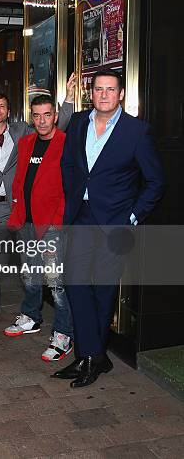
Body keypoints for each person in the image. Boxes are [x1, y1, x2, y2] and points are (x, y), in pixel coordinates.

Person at [54, 69, 164, 388]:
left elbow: (156, 181)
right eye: (98, 89)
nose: (103, 94)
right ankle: (93, 354)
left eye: (110, 89)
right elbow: (68, 165)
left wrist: (131, 217)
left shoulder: (137, 132)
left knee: (103, 291)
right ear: (92, 93)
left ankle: (91, 357)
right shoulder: (77, 123)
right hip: (80, 216)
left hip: (114, 222)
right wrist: (72, 195)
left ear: (121, 95)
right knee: (74, 283)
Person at [0, 74, 76, 325]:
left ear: (9, 111)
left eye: (2, 107)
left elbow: (54, 127)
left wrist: (69, 100)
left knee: (10, 262)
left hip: (12, 208)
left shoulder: (22, 133)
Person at [4, 95, 73, 362]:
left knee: (56, 284)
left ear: (55, 115)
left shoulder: (66, 144)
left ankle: (63, 335)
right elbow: (20, 180)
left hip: (52, 225)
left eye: (47, 115)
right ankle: (31, 317)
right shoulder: (26, 143)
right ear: (31, 117)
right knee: (30, 275)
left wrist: (58, 219)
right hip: (27, 222)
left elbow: (70, 186)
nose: (42, 121)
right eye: (37, 115)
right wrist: (16, 212)